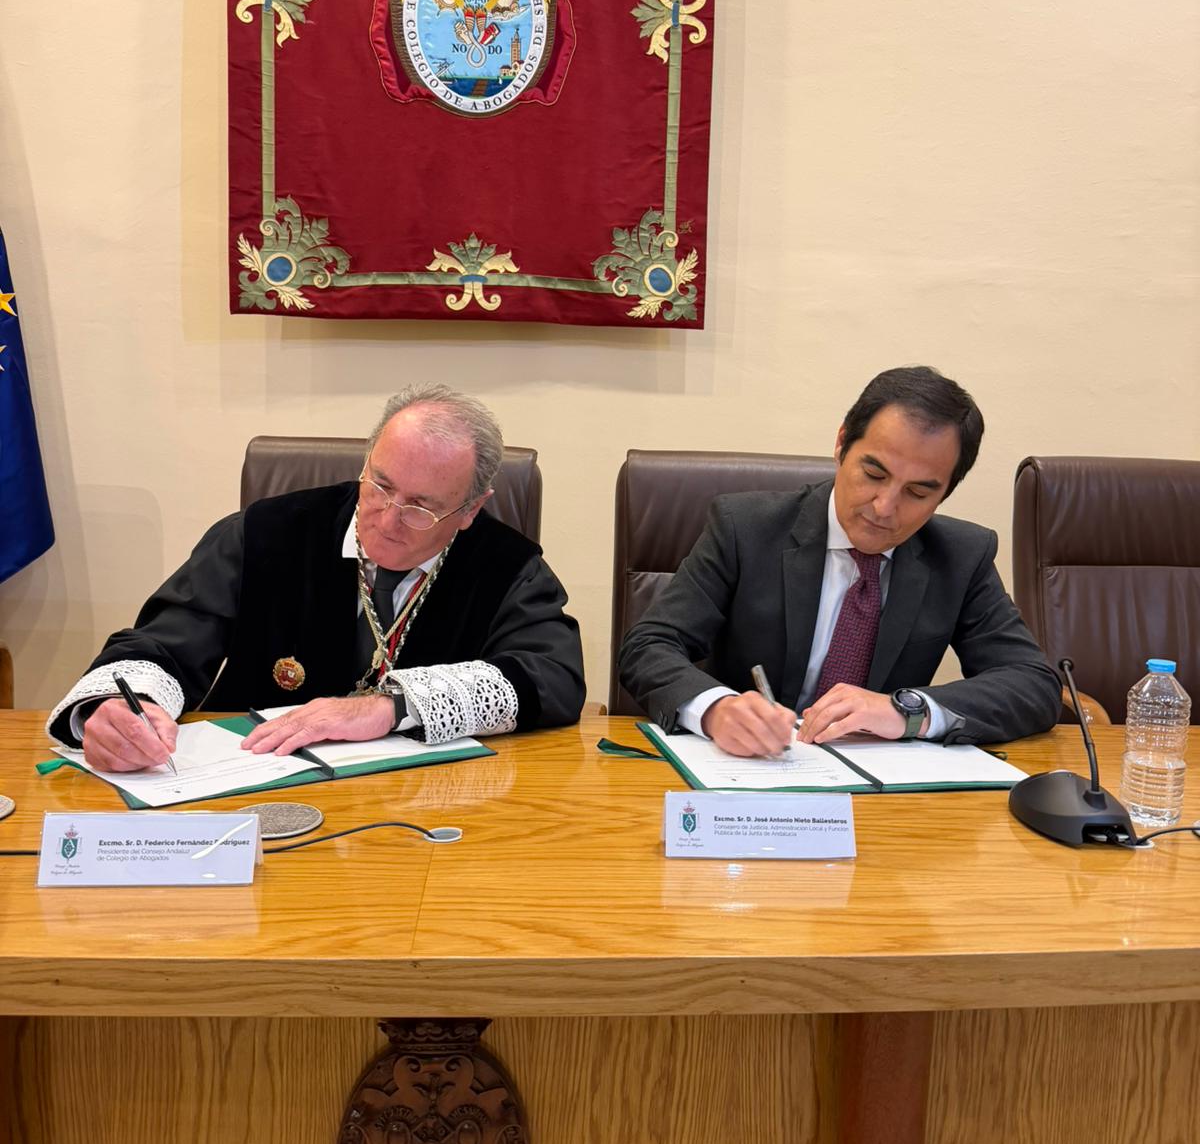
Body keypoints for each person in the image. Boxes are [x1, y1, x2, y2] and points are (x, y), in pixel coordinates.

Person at [48, 385, 586, 770]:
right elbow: (162, 644)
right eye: (380, 486)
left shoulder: (507, 566)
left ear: (470, 509)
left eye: (422, 507)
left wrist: (390, 707)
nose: (388, 519)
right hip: (256, 786)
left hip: (425, 805)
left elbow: (553, 677)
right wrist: (116, 711)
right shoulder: (265, 534)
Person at [619, 366, 1060, 754]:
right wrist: (716, 709)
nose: (885, 507)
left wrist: (907, 711)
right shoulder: (744, 528)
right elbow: (648, 646)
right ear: (841, 443)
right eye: (873, 474)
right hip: (750, 775)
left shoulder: (961, 556)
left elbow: (1034, 684)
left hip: (884, 792)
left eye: (918, 492)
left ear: (945, 492)